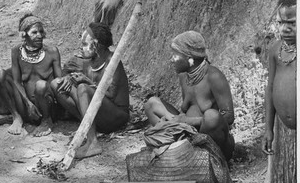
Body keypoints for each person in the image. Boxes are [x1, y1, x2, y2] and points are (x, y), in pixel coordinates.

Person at [144, 31, 235, 161]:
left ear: (189, 59)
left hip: (212, 140)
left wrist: (189, 121)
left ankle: (210, 160)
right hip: (188, 134)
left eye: (175, 55)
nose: (171, 59)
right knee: (151, 104)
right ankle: (177, 152)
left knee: (211, 116)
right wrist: (177, 121)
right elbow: (186, 111)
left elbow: (228, 117)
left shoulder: (214, 76)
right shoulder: (184, 76)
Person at [52, 22, 129, 159]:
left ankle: (92, 142)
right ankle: (88, 127)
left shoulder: (113, 61)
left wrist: (86, 81)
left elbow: (110, 95)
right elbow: (80, 82)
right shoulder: (89, 61)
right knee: (55, 84)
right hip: (98, 114)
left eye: (84, 44)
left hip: (115, 117)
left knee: (83, 88)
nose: (81, 48)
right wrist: (70, 78)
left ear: (96, 45)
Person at [0, 13, 62, 136]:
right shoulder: (16, 51)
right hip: (26, 106)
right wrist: (28, 103)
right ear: (24, 35)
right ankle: (16, 117)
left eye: (41, 32)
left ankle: (47, 121)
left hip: (46, 105)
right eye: (34, 32)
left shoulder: (52, 52)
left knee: (41, 85)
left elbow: (58, 82)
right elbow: (17, 81)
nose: (39, 35)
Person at [262, 0, 296, 155]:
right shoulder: (275, 49)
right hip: (283, 132)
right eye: (281, 23)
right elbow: (270, 88)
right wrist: (268, 129)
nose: (284, 30)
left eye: (292, 23)